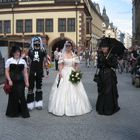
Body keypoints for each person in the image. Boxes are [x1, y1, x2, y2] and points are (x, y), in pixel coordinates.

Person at [48, 41, 92, 116]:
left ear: (71, 47)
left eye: (69, 46)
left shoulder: (74, 55)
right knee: (62, 89)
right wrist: (60, 73)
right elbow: (61, 65)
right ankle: (61, 108)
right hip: (64, 72)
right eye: (67, 46)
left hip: (72, 72)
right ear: (65, 46)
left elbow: (77, 65)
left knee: (76, 88)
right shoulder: (62, 55)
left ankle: (75, 107)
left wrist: (77, 73)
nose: (68, 47)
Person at [5, 46, 30, 118]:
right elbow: (6, 72)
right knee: (13, 97)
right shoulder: (9, 60)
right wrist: (9, 80)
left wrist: (27, 82)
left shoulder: (23, 61)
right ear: (13, 53)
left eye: (18, 52)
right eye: (15, 52)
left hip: (21, 82)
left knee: (21, 96)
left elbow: (25, 73)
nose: (17, 53)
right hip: (12, 82)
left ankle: (24, 113)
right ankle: (13, 113)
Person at [96, 45, 120, 115]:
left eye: (105, 47)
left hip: (109, 75)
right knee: (101, 90)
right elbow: (98, 65)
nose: (103, 48)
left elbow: (115, 65)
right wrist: (101, 61)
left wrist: (108, 62)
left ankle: (108, 109)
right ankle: (101, 107)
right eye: (103, 47)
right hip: (101, 75)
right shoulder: (100, 55)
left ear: (108, 48)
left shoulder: (112, 55)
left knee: (108, 91)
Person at [27, 36, 47, 110]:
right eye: (35, 42)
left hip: (39, 71)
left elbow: (45, 61)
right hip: (32, 71)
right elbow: (28, 62)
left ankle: (38, 103)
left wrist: (47, 70)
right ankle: (30, 104)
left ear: (40, 42)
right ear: (33, 42)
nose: (37, 43)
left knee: (39, 87)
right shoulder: (30, 51)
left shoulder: (42, 51)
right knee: (30, 87)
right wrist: (27, 71)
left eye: (38, 42)